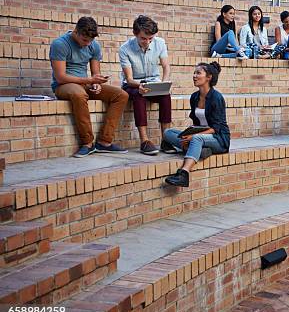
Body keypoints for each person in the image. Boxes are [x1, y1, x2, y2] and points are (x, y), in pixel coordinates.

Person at [50, 16, 129, 158]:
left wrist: (96, 84)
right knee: (79, 94)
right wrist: (88, 80)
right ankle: (88, 143)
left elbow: (95, 73)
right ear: (76, 32)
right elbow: (60, 77)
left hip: (84, 83)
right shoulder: (60, 44)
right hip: (64, 85)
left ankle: (104, 142)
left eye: (91, 40)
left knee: (121, 95)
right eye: (85, 40)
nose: (88, 44)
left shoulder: (93, 45)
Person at [164, 62, 230, 187]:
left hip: (218, 139)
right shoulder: (194, 97)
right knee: (168, 132)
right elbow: (196, 125)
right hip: (200, 136)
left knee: (196, 138)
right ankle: (198, 149)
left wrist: (192, 138)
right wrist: (187, 137)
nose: (194, 76)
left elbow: (215, 129)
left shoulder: (217, 98)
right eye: (194, 73)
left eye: (198, 73)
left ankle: (184, 173)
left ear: (208, 77)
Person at [119, 15, 173, 155]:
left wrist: (164, 82)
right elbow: (129, 79)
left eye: (151, 39)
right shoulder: (125, 49)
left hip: (153, 82)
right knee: (139, 95)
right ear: (135, 34)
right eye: (143, 38)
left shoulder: (160, 42)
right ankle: (144, 141)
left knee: (166, 95)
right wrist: (139, 86)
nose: (147, 42)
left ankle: (166, 140)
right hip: (133, 84)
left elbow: (166, 66)